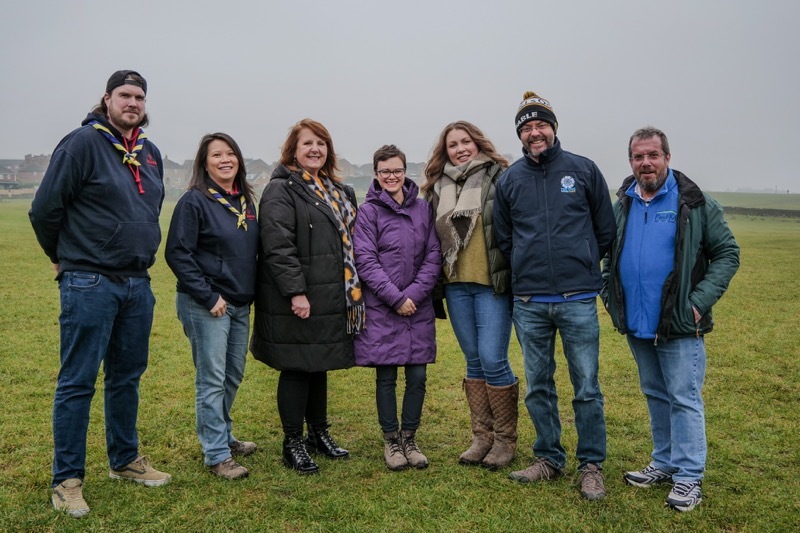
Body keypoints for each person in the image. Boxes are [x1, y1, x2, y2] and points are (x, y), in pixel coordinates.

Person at [29, 70, 171, 518]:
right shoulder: (83, 143)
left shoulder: (150, 153)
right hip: (89, 280)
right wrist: (62, 256)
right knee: (78, 382)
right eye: (125, 95)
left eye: (140, 97)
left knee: (127, 377)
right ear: (107, 99)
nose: (133, 103)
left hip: (137, 282)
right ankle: (67, 480)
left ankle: (124, 460)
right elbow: (44, 208)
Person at [602, 127, 740, 512]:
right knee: (655, 393)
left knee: (684, 398)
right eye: (638, 156)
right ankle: (663, 462)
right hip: (637, 322)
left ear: (667, 157)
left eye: (653, 155)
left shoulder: (694, 203)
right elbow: (608, 256)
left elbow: (727, 253)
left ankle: (689, 477)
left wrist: (696, 303)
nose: (645, 162)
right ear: (630, 160)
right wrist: (610, 297)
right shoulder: (624, 203)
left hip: (680, 323)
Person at [494, 91, 616, 500]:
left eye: (540, 124)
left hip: (577, 299)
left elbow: (605, 229)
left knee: (586, 386)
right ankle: (548, 457)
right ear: (520, 135)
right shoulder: (510, 179)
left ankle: (591, 464)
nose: (534, 132)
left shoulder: (583, 170)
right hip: (529, 303)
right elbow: (505, 237)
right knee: (538, 385)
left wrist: (581, 265)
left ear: (554, 127)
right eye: (526, 128)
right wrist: (528, 271)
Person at [250, 118, 361, 475]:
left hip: (331, 294)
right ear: (293, 150)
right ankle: (292, 441)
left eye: (321, 143)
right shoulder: (281, 189)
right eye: (307, 144)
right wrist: (296, 291)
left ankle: (318, 432)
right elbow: (278, 245)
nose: (315, 149)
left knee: (319, 364)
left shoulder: (337, 190)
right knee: (298, 367)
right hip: (298, 296)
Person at [422, 121, 518, 469]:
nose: (460, 148)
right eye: (453, 144)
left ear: (478, 143)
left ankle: (506, 441)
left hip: (491, 282)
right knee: (474, 360)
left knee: (493, 359)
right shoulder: (437, 186)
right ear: (444, 151)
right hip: (456, 284)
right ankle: (482, 437)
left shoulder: (499, 177)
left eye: (466, 142)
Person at [165, 133, 260, 480]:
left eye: (230, 153)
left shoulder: (245, 199)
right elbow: (177, 252)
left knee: (232, 375)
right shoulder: (194, 202)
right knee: (212, 378)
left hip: (240, 302)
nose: (225, 159)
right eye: (216, 155)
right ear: (204, 163)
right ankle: (217, 454)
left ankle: (222, 434)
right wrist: (208, 296)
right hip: (208, 303)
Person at [354, 144, 441, 471]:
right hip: (382, 307)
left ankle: (410, 438)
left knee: (417, 375)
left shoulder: (423, 209)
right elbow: (365, 259)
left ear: (405, 172)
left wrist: (414, 296)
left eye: (397, 170)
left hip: (417, 307)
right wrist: (395, 297)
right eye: (385, 171)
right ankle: (391, 440)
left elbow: (433, 255)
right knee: (386, 376)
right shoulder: (368, 212)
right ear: (376, 174)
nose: (391, 176)